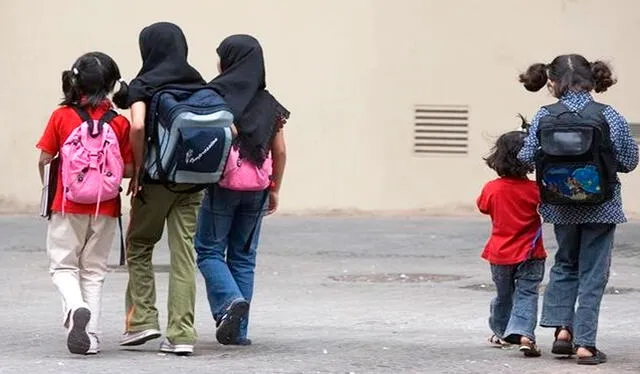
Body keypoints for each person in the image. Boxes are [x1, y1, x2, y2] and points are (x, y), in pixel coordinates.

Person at [518, 54, 639, 365]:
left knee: (565, 264)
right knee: (593, 272)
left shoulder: (545, 115)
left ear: (552, 83)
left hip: (560, 205)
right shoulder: (609, 115)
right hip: (602, 206)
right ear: (592, 79)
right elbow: (628, 162)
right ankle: (586, 344)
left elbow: (526, 157)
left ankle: (562, 331)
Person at [117, 22, 207, 356]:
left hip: (156, 181)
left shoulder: (145, 83)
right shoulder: (198, 82)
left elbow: (138, 124)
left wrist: (138, 170)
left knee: (139, 244)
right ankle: (182, 334)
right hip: (194, 179)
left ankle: (142, 321)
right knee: (184, 252)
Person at [36, 52, 133, 355]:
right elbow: (128, 169)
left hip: (66, 204)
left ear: (75, 83)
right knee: (94, 271)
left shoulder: (61, 117)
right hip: (105, 207)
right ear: (111, 85)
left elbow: (44, 159)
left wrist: (50, 188)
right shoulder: (118, 123)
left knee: (63, 267)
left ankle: (76, 307)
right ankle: (90, 339)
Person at [194, 34, 289, 346]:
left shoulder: (215, 95)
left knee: (209, 250)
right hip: (258, 187)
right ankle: (239, 331)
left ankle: (229, 303)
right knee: (244, 257)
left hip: (223, 184)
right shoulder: (268, 102)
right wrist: (275, 188)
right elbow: (281, 151)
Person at [477, 120, 546, 357]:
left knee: (503, 294)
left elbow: (483, 208)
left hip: (499, 253)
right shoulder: (536, 190)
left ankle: (501, 332)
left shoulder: (491, 188)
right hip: (531, 253)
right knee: (527, 293)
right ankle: (526, 335)